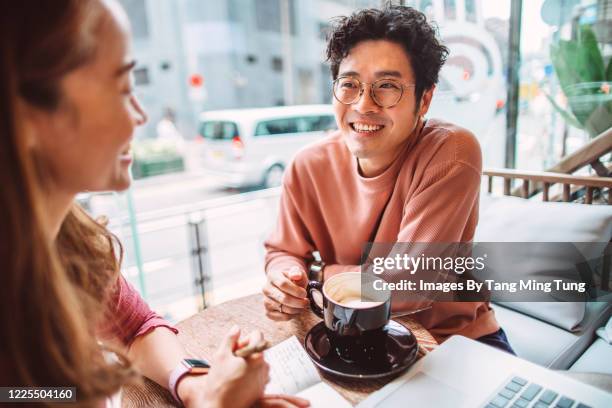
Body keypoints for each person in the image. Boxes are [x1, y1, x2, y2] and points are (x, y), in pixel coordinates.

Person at [0, 1, 309, 407]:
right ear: (29, 113)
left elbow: (134, 329)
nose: (140, 116)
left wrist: (197, 387)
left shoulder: (67, 239)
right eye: (123, 88)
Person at [262, 5, 514, 354]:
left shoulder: (451, 151)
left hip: (454, 341)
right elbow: (284, 251)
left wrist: (321, 275)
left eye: (387, 86)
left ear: (424, 99)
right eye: (350, 84)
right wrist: (286, 280)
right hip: (354, 338)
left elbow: (411, 284)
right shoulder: (307, 165)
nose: (364, 104)